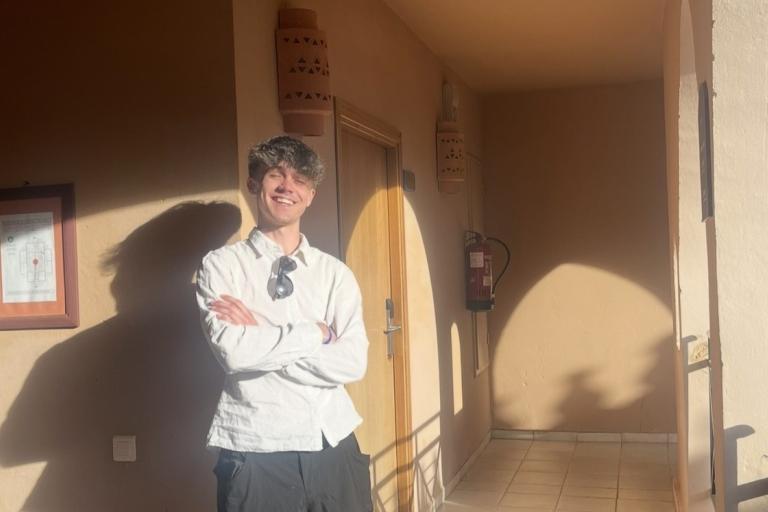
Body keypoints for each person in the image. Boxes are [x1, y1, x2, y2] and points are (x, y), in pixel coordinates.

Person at [195, 135, 373, 512]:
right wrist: (317, 333)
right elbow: (234, 354)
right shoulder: (222, 266)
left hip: (333, 442)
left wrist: (261, 332)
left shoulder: (334, 274)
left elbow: (353, 363)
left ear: (310, 196)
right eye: (276, 174)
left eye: (300, 180)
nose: (287, 187)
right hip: (255, 447)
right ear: (254, 184)